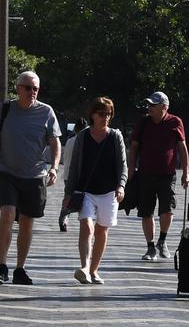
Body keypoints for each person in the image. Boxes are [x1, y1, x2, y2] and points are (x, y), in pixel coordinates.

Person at [0, 71, 61, 285]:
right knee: (7, 213)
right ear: (18, 88)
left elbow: (55, 142)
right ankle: (1, 265)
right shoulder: (6, 109)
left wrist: (53, 168)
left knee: (27, 221)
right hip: (6, 172)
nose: (32, 92)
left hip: (34, 175)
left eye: (35, 88)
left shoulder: (46, 112)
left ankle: (20, 268)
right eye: (28, 87)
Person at [61, 97, 127, 285]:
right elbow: (74, 167)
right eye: (101, 114)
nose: (105, 117)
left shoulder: (115, 137)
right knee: (87, 226)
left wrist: (121, 185)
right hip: (86, 190)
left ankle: (94, 270)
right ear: (92, 115)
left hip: (109, 191)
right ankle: (84, 267)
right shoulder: (82, 137)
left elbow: (123, 165)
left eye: (108, 114)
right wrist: (68, 192)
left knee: (102, 230)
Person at [128, 91, 189, 261]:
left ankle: (162, 240)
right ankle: (150, 247)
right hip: (145, 174)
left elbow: (182, 148)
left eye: (153, 105)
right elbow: (133, 147)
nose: (149, 108)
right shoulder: (143, 122)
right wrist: (131, 169)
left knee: (167, 210)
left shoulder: (175, 122)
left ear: (164, 107)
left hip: (167, 175)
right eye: (149, 105)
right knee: (146, 212)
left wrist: (185, 172)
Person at [58, 118, 89, 232]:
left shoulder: (70, 141)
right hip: (80, 175)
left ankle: (64, 218)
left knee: (68, 197)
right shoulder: (85, 141)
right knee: (83, 199)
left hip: (67, 174)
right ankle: (84, 221)